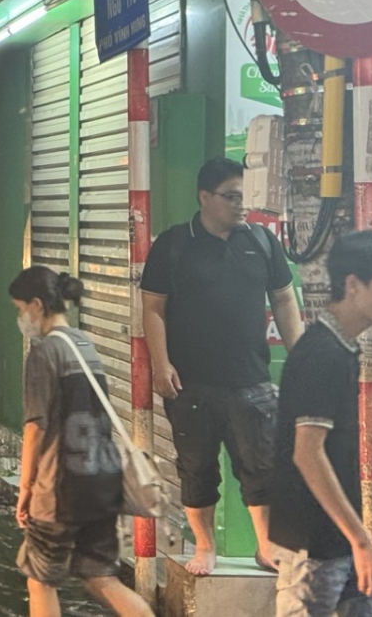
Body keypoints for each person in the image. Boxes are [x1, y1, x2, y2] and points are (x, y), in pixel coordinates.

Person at [140, 157, 304, 575]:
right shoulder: (175, 245)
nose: (241, 206)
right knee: (197, 468)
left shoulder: (262, 242)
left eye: (245, 197)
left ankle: (266, 547)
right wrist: (161, 364)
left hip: (251, 379)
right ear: (205, 198)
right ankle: (206, 547)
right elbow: (153, 308)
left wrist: (301, 359)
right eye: (232, 197)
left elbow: (284, 300)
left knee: (262, 465)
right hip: (191, 382)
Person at [12, 266, 153, 617]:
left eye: (19, 310)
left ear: (36, 305)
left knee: (41, 580)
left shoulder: (44, 353)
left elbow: (35, 428)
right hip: (102, 481)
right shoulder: (85, 345)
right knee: (101, 578)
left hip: (61, 488)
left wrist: (25, 490)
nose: (21, 319)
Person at [270, 230, 372, 616]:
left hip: (342, 541)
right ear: (353, 285)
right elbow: (308, 454)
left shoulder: (342, 349)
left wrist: (359, 540)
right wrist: (362, 540)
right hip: (313, 544)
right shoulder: (321, 355)